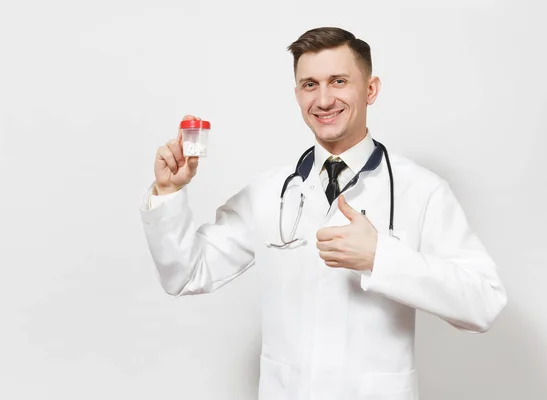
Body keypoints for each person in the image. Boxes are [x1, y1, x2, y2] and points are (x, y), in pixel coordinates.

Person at [139, 27, 507, 400]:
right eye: (310, 84)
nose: (324, 98)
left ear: (371, 89)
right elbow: (186, 274)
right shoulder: (268, 192)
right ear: (297, 95)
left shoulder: (421, 190)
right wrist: (168, 193)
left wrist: (381, 256)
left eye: (339, 81)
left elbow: (483, 304)